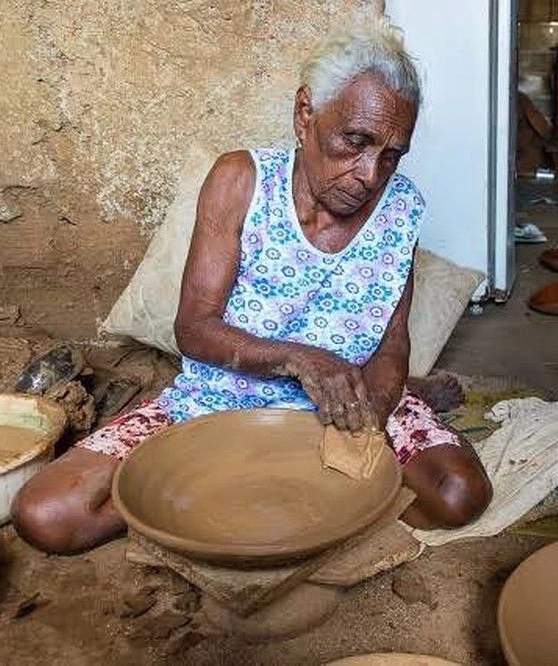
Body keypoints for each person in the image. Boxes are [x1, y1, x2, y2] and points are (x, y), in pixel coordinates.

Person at [12, 21, 491, 554]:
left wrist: (369, 420)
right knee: (49, 515)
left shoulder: (401, 208)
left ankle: (408, 400)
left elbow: (393, 341)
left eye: (391, 154)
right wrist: (300, 360)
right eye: (354, 142)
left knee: (458, 495)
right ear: (305, 114)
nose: (369, 173)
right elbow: (194, 329)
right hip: (222, 400)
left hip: (348, 401)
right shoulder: (240, 181)